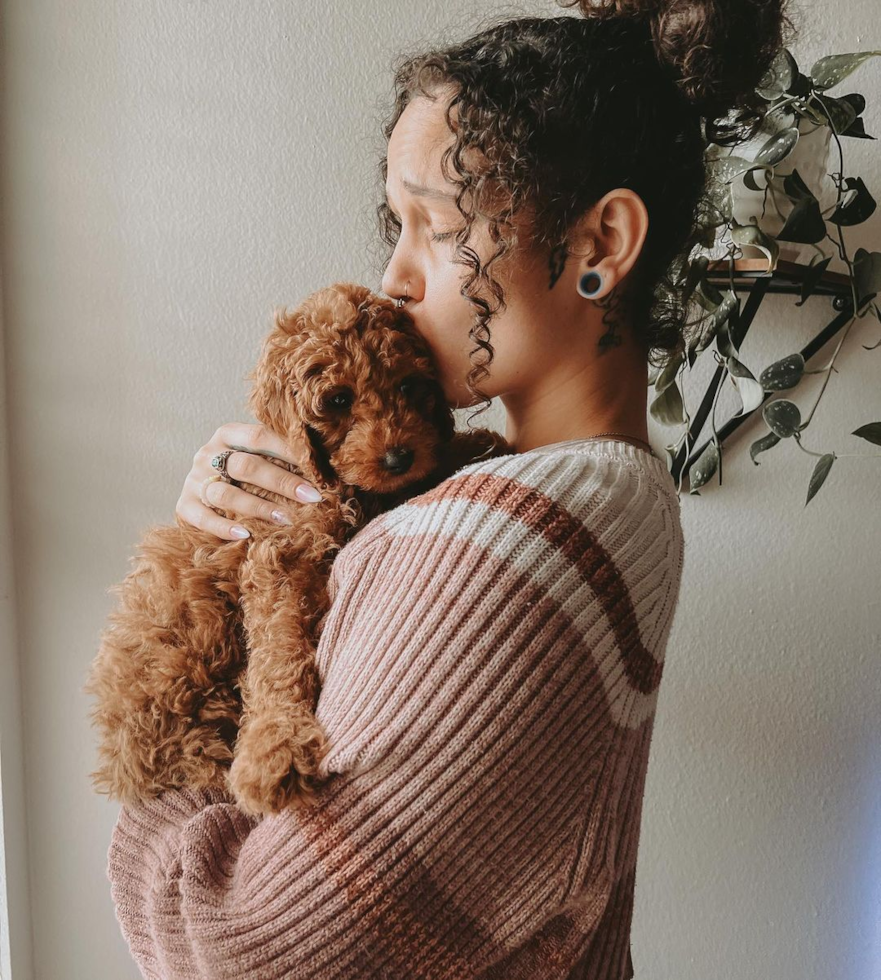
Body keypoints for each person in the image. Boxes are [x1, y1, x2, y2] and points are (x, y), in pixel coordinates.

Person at [104, 2, 795, 978]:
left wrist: (167, 728)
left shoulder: (510, 543)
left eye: (434, 224)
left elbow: (251, 951)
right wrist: (230, 548)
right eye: (396, 222)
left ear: (599, 243)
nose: (393, 276)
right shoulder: (581, 499)